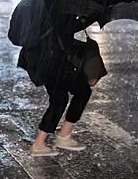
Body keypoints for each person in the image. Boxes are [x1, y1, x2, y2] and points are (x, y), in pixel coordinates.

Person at [28, 12, 103, 157]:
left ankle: (41, 142)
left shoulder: (51, 4)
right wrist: (91, 16)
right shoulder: (63, 7)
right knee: (80, 92)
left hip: (44, 60)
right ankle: (60, 137)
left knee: (60, 99)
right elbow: (68, 29)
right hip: (55, 62)